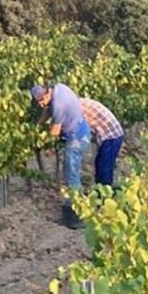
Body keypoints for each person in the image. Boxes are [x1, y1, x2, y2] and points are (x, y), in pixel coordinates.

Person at [30, 83, 91, 229]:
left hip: (77, 138)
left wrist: (48, 149)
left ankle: (76, 214)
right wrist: (37, 126)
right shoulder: (58, 89)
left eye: (40, 101)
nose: (40, 105)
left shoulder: (59, 104)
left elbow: (55, 130)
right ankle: (75, 205)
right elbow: (47, 110)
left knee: (71, 173)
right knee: (71, 172)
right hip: (80, 132)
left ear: (46, 94)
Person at [80, 97, 125, 190]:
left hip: (111, 135)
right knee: (101, 166)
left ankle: (105, 196)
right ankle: (102, 194)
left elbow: (83, 130)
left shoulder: (76, 110)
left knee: (104, 169)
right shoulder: (77, 103)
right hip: (110, 134)